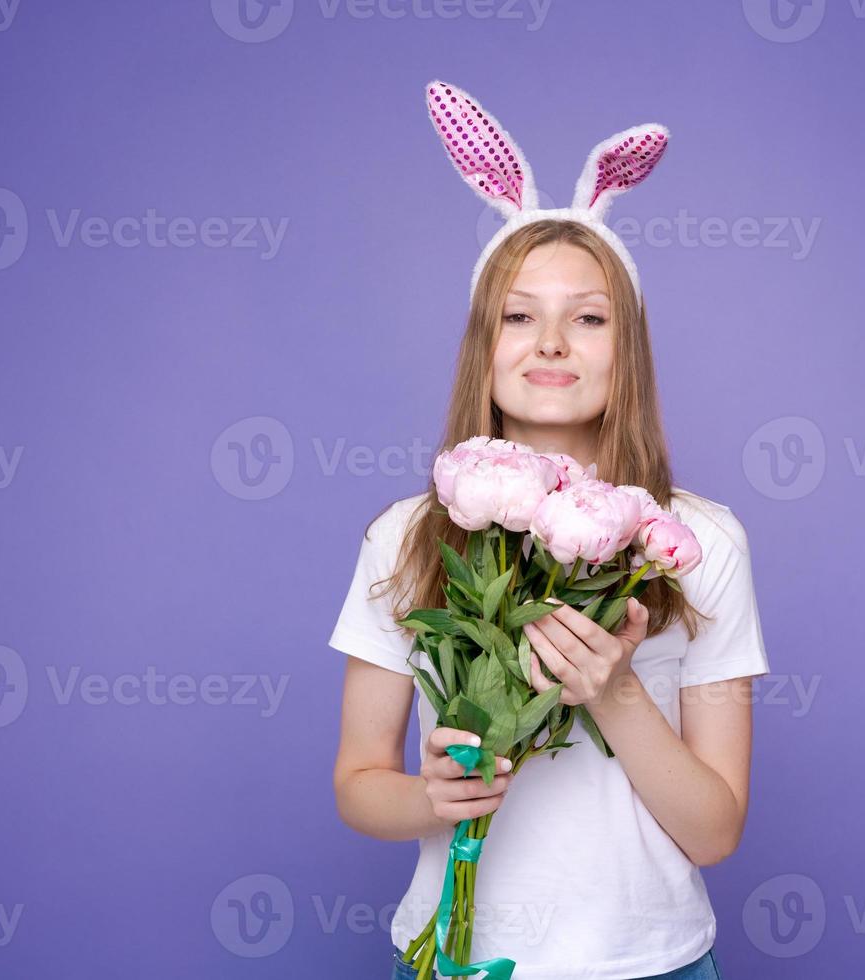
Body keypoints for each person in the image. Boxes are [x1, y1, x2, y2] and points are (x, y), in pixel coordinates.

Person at [328, 80, 769, 980]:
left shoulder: (699, 542)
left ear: (628, 347)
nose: (552, 342)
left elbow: (715, 830)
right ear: (482, 344)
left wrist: (614, 691)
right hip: (460, 958)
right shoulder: (407, 537)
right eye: (519, 315)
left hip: (651, 964)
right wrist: (432, 798)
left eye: (590, 317)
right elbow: (357, 787)